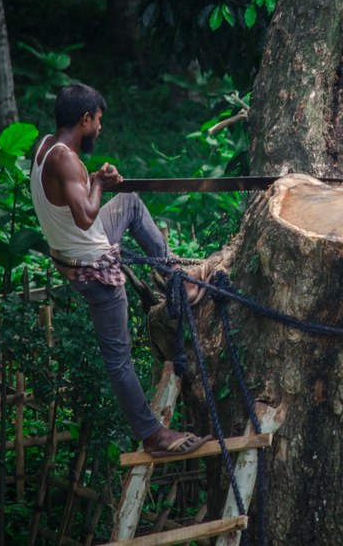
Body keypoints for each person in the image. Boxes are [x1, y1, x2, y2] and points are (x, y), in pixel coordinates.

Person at [30, 83, 210, 457]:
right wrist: (96, 182)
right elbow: (84, 216)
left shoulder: (46, 145)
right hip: (93, 269)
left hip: (74, 254)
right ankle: (152, 434)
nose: (100, 128)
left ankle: (174, 281)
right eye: (98, 121)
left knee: (128, 200)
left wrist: (94, 181)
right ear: (84, 119)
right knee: (118, 359)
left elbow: (71, 201)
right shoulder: (64, 159)